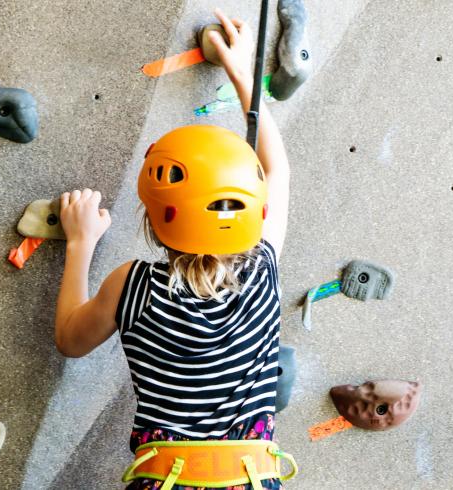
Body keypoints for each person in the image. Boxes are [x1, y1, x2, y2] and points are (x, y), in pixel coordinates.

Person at [54, 8, 294, 490]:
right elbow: (279, 170)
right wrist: (242, 72)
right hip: (249, 477)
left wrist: (81, 242)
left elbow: (70, 340)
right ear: (255, 209)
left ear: (153, 217)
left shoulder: (133, 286)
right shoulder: (262, 268)